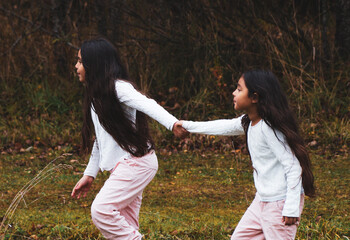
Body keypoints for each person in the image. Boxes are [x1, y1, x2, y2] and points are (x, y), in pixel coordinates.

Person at [174, 70, 315, 240]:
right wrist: (187, 125)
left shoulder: (269, 128)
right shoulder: (249, 122)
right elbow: (222, 126)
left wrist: (291, 207)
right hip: (262, 200)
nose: (234, 93)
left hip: (280, 203)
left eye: (239, 89)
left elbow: (293, 166)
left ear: (254, 97)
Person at [71, 37, 188, 239]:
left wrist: (172, 123)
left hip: (136, 163)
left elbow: (147, 104)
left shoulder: (118, 88)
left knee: (102, 210)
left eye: (81, 61)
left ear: (95, 64)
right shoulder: (97, 95)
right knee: (125, 224)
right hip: (127, 165)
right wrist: (90, 174)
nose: (76, 66)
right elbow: (101, 139)